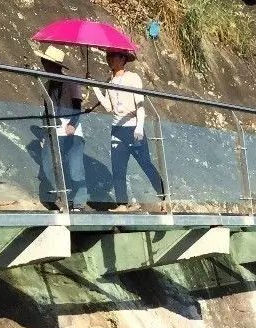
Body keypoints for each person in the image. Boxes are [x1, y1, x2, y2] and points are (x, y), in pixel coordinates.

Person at [91, 50, 164, 211]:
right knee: (118, 167)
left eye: (113, 56)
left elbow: (140, 104)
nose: (109, 59)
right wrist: (97, 89)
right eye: (108, 56)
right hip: (117, 129)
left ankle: (164, 198)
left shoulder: (133, 78)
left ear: (123, 59)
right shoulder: (109, 82)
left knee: (145, 164)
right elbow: (110, 107)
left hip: (133, 127)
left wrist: (139, 126)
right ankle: (122, 204)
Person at [35, 46, 88, 211]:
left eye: (47, 62)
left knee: (75, 167)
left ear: (54, 65)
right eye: (44, 62)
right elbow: (47, 111)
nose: (44, 65)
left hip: (71, 129)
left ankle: (78, 202)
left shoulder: (71, 82)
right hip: (53, 129)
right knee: (48, 164)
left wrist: (72, 123)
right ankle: (57, 198)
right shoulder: (47, 85)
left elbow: (77, 106)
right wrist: (44, 135)